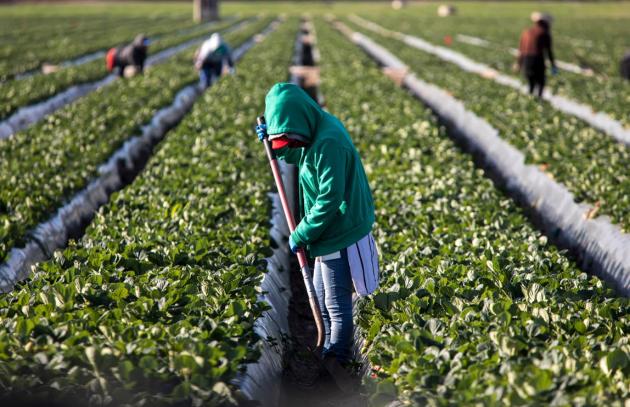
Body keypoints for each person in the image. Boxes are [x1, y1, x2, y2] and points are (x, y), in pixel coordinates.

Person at [256, 83, 379, 369]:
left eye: (289, 138)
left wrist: (301, 232)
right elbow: (300, 153)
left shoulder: (329, 142)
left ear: (301, 121)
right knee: (321, 295)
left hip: (339, 228)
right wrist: (275, 145)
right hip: (326, 229)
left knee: (336, 304)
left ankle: (337, 358)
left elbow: (329, 199)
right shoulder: (314, 131)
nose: (290, 144)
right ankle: (327, 346)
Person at [517, 12, 558, 98]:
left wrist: (519, 63)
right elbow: (548, 51)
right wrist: (553, 65)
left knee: (531, 82)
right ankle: (539, 99)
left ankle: (530, 98)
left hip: (526, 60)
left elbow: (521, 50)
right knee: (541, 82)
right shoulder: (544, 33)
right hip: (537, 59)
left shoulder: (526, 32)